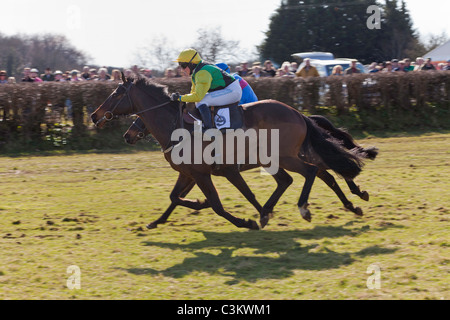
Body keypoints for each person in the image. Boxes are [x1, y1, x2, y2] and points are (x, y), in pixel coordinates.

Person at [172, 48, 242, 131]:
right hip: (228, 90)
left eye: (183, 66)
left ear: (192, 63)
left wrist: (180, 98)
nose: (182, 69)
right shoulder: (197, 71)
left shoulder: (202, 72)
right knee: (200, 101)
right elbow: (193, 93)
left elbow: (198, 97)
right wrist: (182, 101)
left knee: (201, 101)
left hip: (232, 91)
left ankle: (209, 130)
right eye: (180, 66)